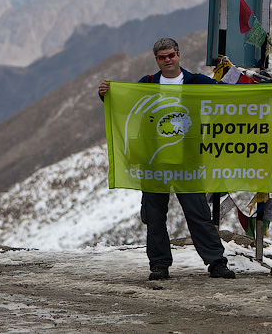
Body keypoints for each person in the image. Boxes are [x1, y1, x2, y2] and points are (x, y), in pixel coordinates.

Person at [98, 37, 235, 280]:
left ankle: (216, 262)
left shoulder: (195, 81)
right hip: (154, 162)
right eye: (162, 57)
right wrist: (107, 94)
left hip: (188, 161)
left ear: (179, 55)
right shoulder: (148, 83)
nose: (167, 60)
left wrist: (269, 92)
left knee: (198, 213)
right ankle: (159, 265)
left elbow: (225, 94)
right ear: (156, 60)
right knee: (155, 216)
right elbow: (125, 102)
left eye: (171, 55)